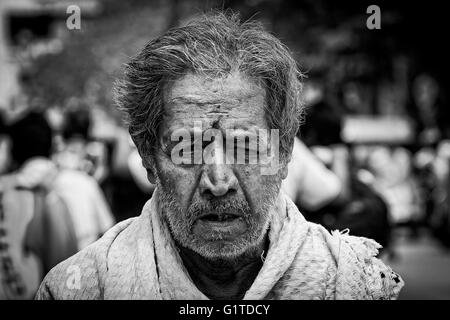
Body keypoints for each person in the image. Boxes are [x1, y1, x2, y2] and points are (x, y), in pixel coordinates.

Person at [36, 12, 403, 300]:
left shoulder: (355, 284)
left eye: (246, 147)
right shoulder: (81, 288)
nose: (219, 180)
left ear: (285, 150)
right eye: (187, 148)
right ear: (149, 156)